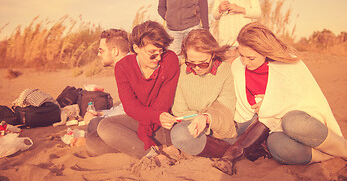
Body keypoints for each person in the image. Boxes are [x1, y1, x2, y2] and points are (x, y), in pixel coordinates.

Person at [213, 22, 347, 175]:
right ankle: (327, 155)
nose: (245, 62)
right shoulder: (238, 66)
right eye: (241, 55)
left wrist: (269, 102)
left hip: (297, 119)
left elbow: (305, 97)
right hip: (266, 128)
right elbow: (238, 103)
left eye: (250, 58)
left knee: (293, 122)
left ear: (265, 51)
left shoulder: (287, 63)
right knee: (278, 147)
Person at [86, 21, 180, 160]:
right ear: (136, 48)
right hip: (142, 119)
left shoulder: (169, 59)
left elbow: (162, 105)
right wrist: (144, 130)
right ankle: (147, 146)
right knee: (93, 142)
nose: (158, 57)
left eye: (161, 51)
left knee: (105, 126)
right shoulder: (123, 67)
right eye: (152, 53)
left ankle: (152, 155)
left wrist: (147, 128)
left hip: (162, 124)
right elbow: (130, 107)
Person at [160, 29, 237, 158]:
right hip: (193, 129)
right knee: (179, 134)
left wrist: (206, 118)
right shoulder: (181, 72)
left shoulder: (226, 71)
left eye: (203, 63)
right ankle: (230, 151)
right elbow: (179, 111)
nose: (196, 68)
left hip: (220, 129)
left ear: (212, 54)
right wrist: (201, 121)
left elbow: (226, 109)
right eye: (191, 63)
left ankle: (227, 150)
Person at [83, 29, 130, 131]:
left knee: (95, 126)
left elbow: (131, 109)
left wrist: (101, 118)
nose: (99, 55)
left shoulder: (129, 67)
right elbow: (125, 106)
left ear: (114, 51)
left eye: (101, 50)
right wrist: (101, 113)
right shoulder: (126, 65)